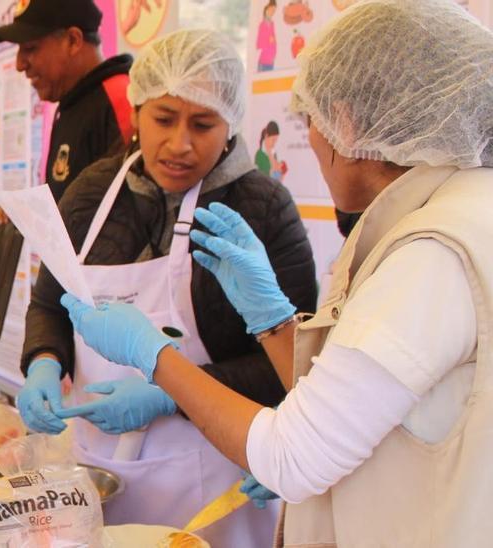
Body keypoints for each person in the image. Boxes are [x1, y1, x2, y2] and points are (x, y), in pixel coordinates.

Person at [57, 2, 493, 545]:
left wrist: (155, 358)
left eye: (309, 120)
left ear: (347, 121)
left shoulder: (435, 253)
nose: (310, 140)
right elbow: (351, 405)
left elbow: (292, 455)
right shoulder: (459, 215)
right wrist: (275, 324)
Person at [15, 30, 318, 547]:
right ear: (136, 110)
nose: (179, 144)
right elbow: (51, 302)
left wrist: (169, 394)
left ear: (230, 126)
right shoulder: (90, 192)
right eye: (162, 119)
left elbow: (296, 367)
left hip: (215, 479)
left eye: (202, 125)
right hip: (97, 472)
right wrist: (45, 359)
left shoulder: (263, 209)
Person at [0, 0, 135, 204]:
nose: (19, 64)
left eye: (30, 48)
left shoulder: (120, 96)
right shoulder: (70, 103)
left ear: (73, 41)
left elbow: (131, 208)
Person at [257, 1, 278, 72]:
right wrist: (268, 41)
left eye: (274, 11)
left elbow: (274, 43)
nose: (272, 12)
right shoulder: (262, 25)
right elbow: (259, 44)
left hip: (271, 61)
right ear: (266, 9)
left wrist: (273, 56)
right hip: (263, 62)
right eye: (271, 10)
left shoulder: (272, 24)